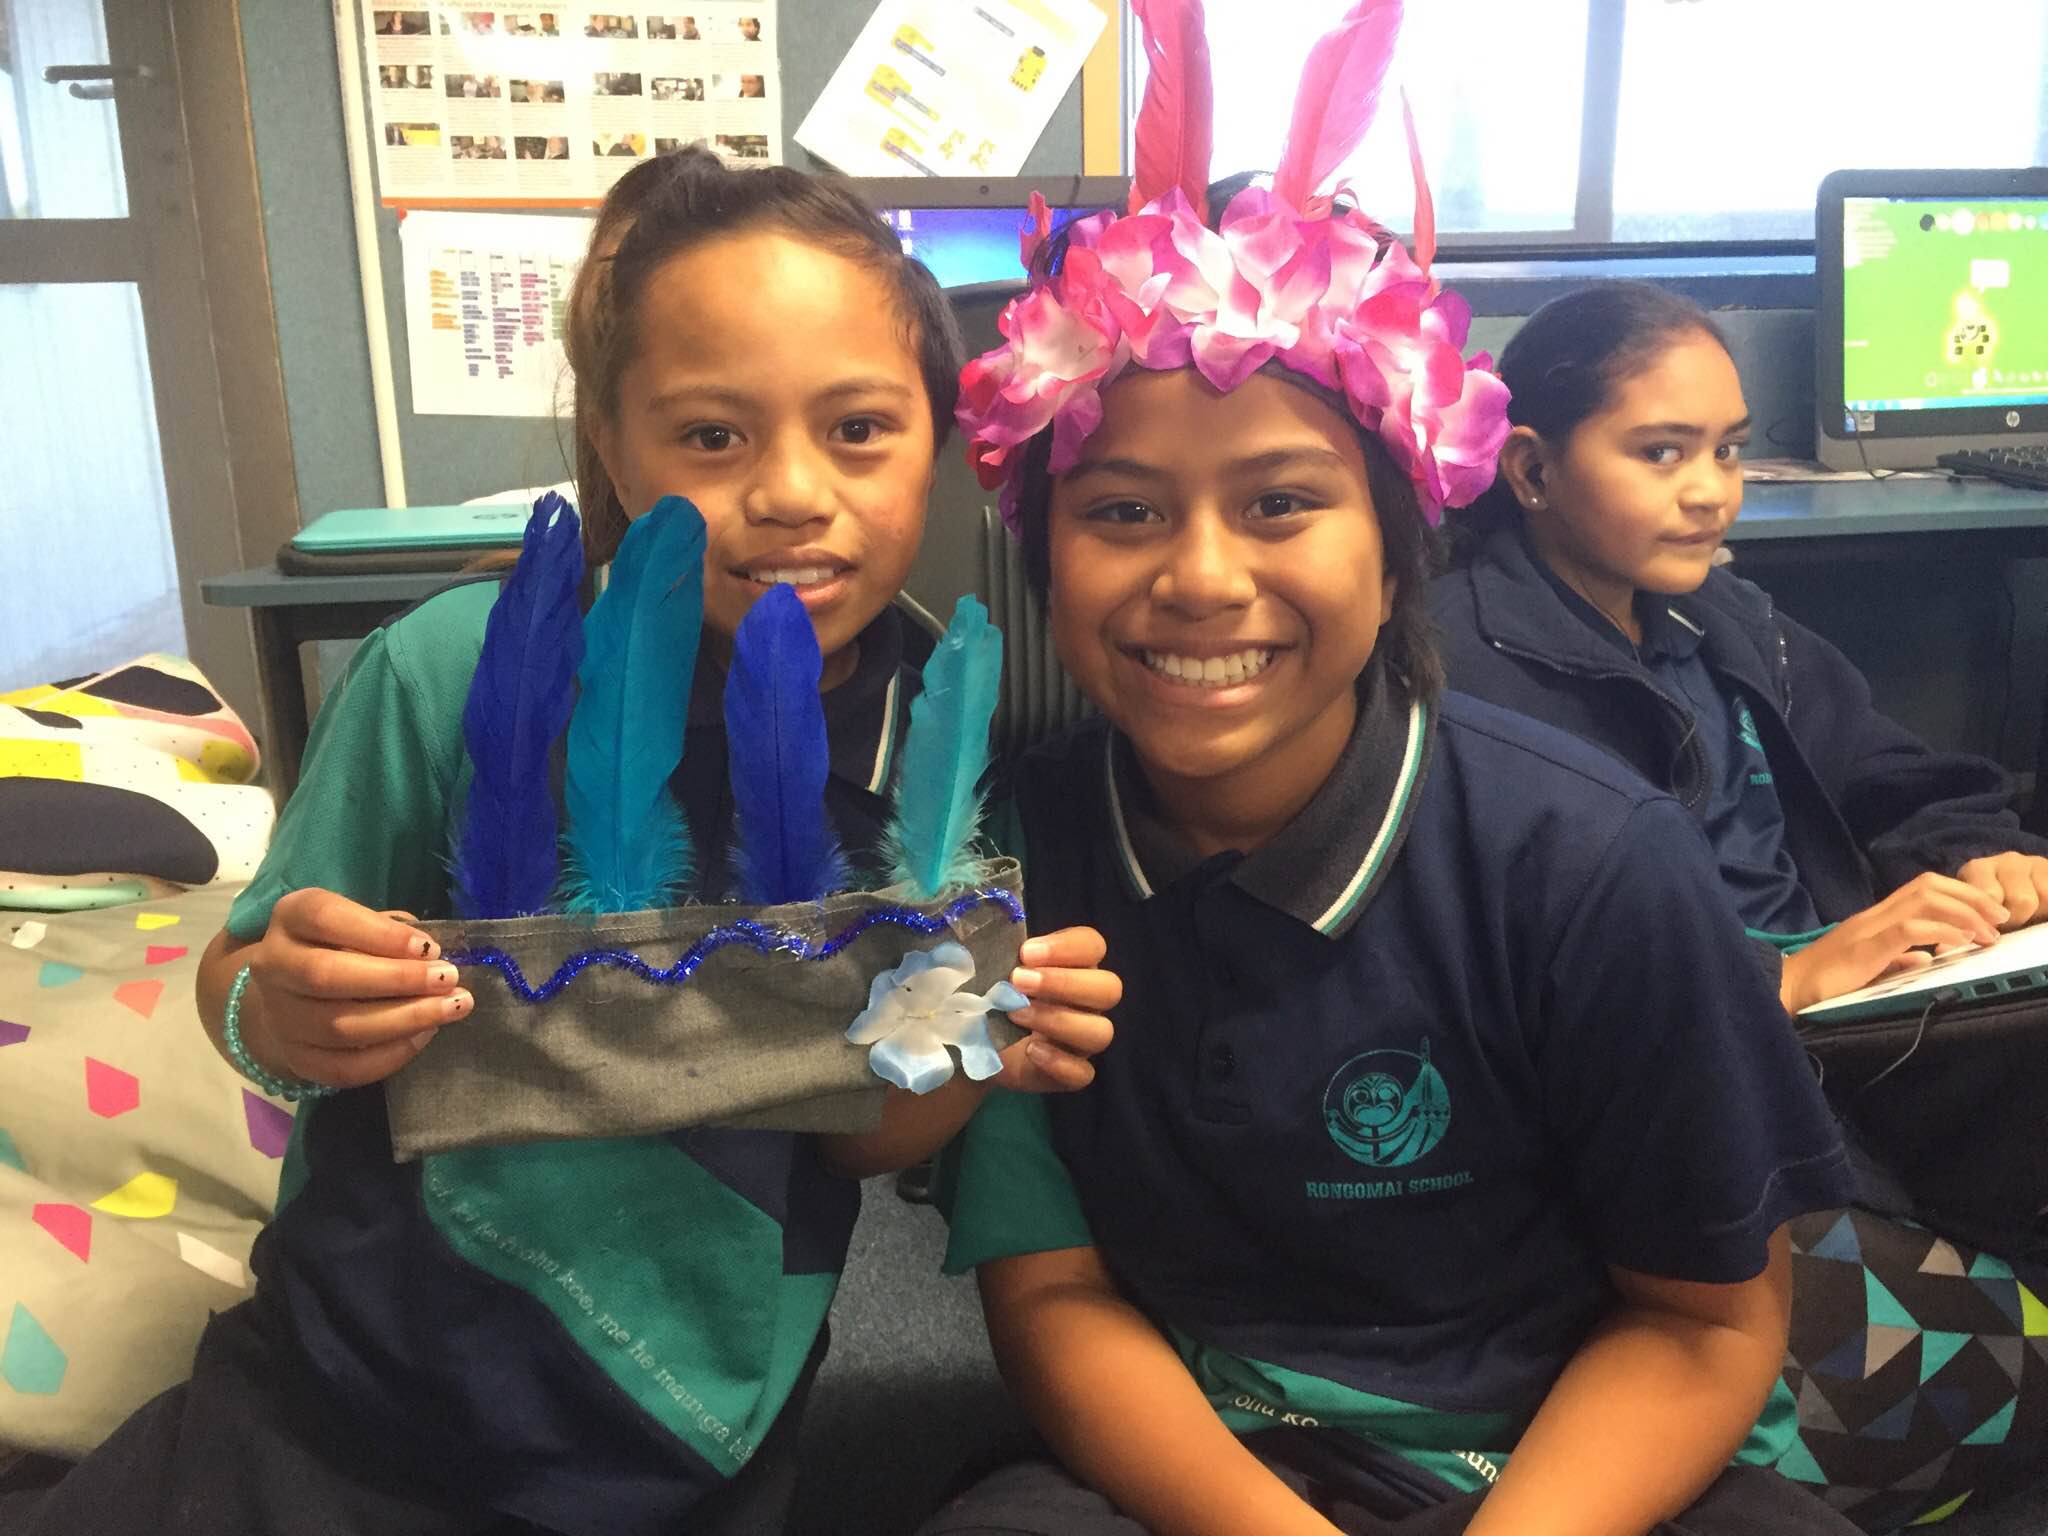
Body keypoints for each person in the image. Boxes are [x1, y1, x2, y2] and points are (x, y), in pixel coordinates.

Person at [0, 147, 1119, 1536]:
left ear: (936, 441)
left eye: (858, 429)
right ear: (612, 438)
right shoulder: (452, 674)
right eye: (713, 436)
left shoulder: (937, 743)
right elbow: (239, 986)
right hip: (349, 1402)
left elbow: (863, 1144)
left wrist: (968, 1051)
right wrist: (278, 1010)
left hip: (686, 1441)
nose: (789, 491)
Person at [923, 7, 1864, 1534]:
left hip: (1561, 1457)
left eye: (1283, 503)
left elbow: (1702, 1324)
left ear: (1399, 543)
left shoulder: (1597, 863)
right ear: (1044, 557)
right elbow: (1056, 1293)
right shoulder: (1006, 860)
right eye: (1125, 514)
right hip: (1212, 1458)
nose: (1205, 580)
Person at [1428, 280, 2048, 1527]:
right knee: (2005, 1375)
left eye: (1722, 448)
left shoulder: (1717, 614)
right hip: (1715, 1091)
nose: (1710, 490)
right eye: (1659, 453)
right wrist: (1787, 973)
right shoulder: (1459, 672)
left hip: (1870, 1030)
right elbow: (1514, 989)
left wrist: (1981, 850)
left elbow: (1886, 768)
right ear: (1534, 469)